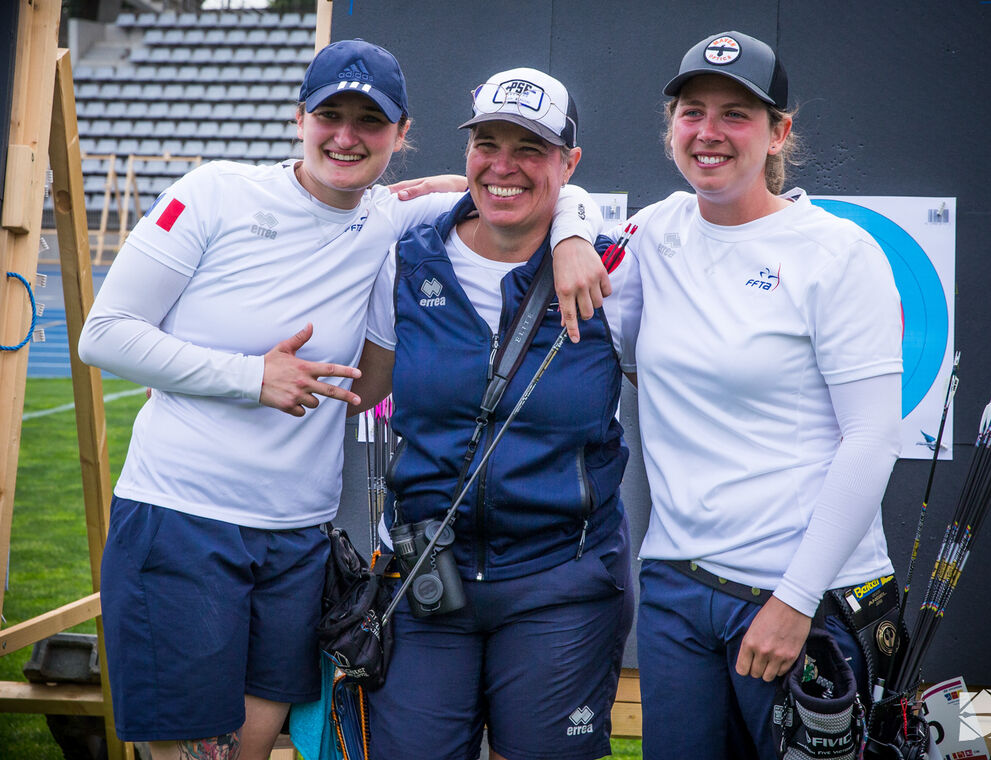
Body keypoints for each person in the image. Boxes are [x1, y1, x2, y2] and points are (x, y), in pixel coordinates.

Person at [77, 40, 607, 760]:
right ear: (300, 118)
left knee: (251, 745)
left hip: (299, 535)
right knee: (189, 751)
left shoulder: (391, 218)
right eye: (330, 115)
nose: (347, 136)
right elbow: (104, 335)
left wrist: (572, 234)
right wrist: (249, 377)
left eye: (370, 121)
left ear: (400, 134)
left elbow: (536, 187)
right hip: (184, 515)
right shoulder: (215, 192)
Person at [609, 31, 904, 759]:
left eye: (736, 114)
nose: (708, 132)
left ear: (779, 133)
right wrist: (452, 192)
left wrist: (795, 600)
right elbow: (547, 211)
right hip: (677, 590)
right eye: (692, 112)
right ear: (671, 127)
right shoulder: (655, 231)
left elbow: (872, 439)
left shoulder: (838, 253)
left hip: (801, 597)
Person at [350, 67, 636, 760]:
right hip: (427, 576)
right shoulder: (408, 262)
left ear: (569, 163)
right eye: (487, 144)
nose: (503, 166)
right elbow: (357, 387)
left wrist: (573, 230)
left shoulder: (612, 274)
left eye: (529, 149)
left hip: (561, 582)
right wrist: (228, 381)